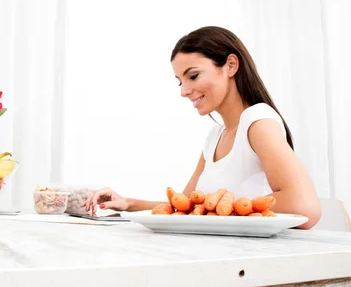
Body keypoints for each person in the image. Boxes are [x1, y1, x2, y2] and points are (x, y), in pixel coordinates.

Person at [83, 26, 321, 229]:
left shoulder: (257, 121)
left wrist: (223, 211)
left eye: (193, 76)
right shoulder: (215, 137)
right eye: (180, 81)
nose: (184, 91)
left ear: (230, 65)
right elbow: (184, 206)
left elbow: (305, 206)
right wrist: (127, 203)